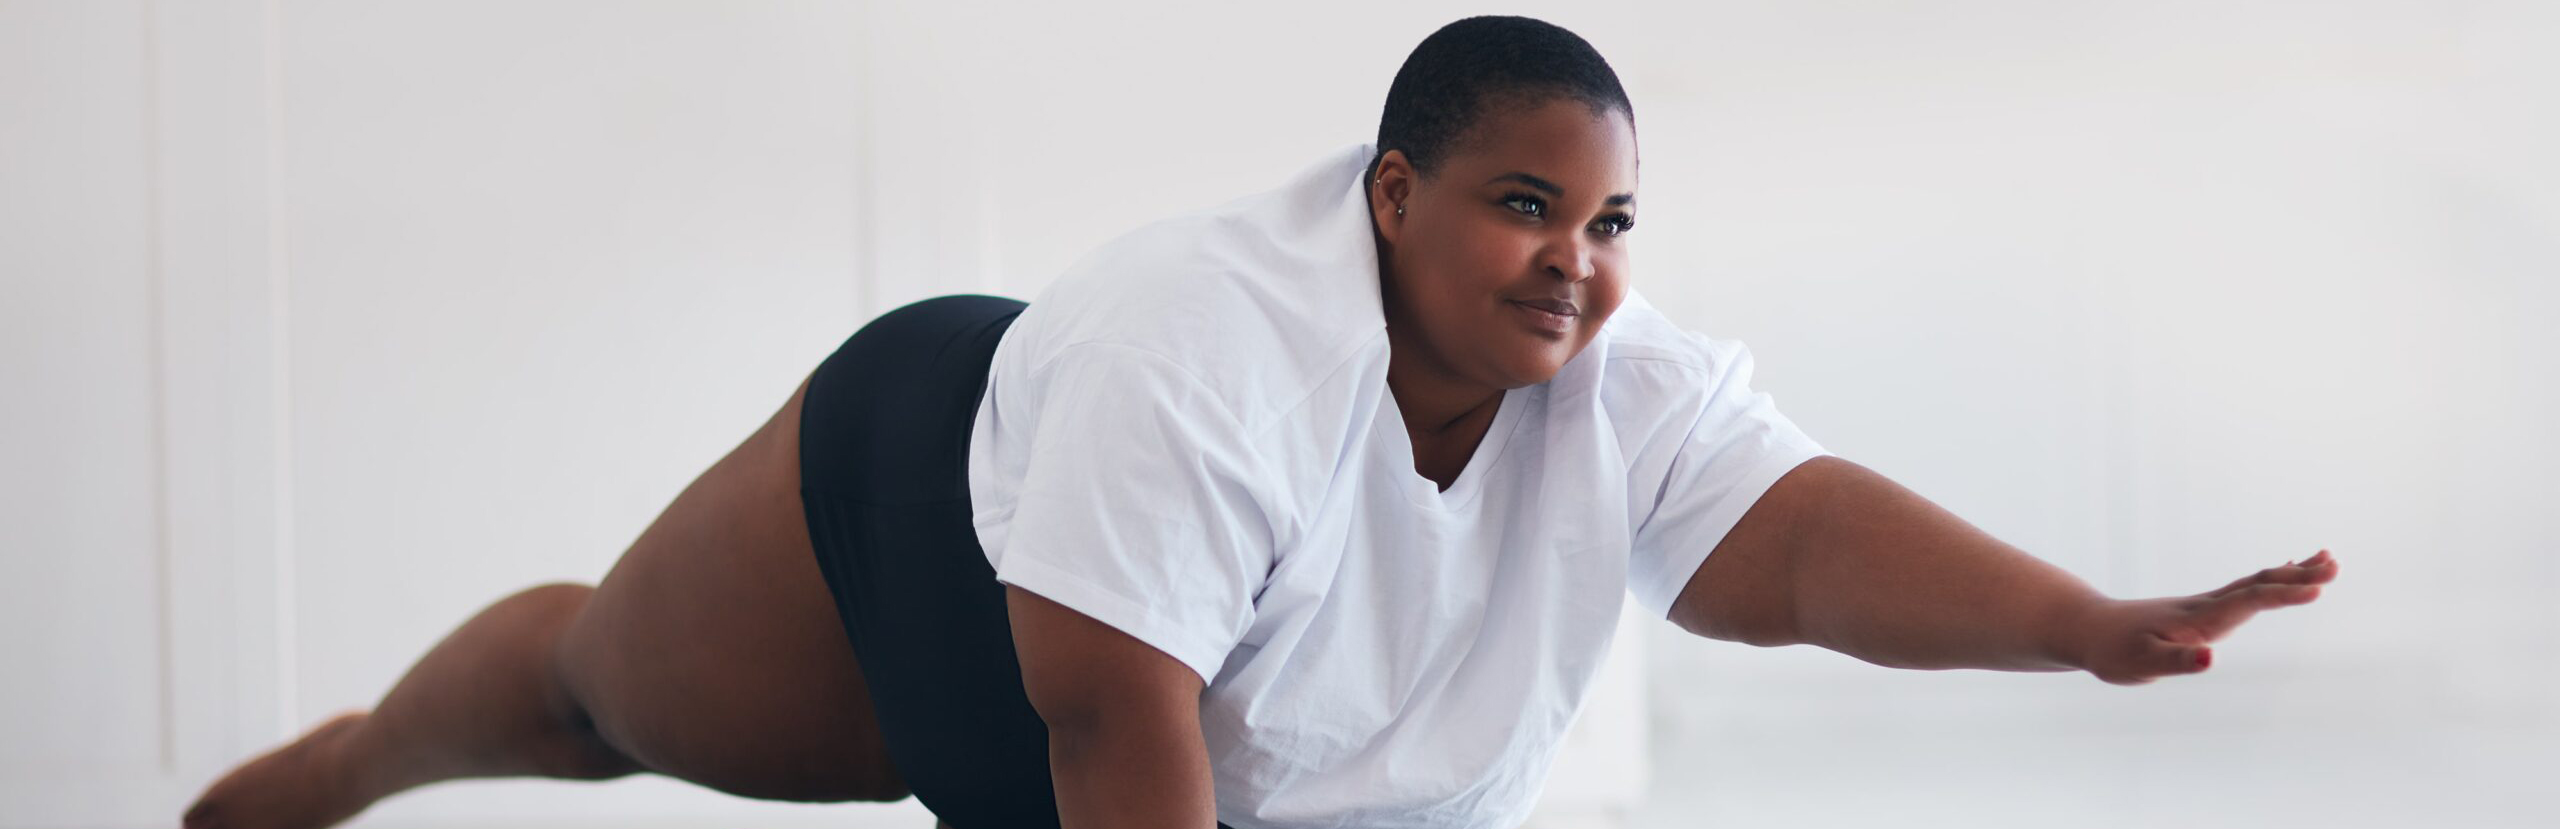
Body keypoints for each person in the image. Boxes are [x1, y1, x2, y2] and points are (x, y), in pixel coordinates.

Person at [181, 15, 2340, 829]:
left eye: (1601, 220)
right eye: (1518, 203)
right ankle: (338, 777)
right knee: (605, 711)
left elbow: (1782, 537)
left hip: (1158, 597)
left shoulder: (1606, 360)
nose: (1569, 261)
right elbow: (1124, 742)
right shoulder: (1187, 352)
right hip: (941, 470)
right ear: (1392, 193)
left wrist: (2081, 622)